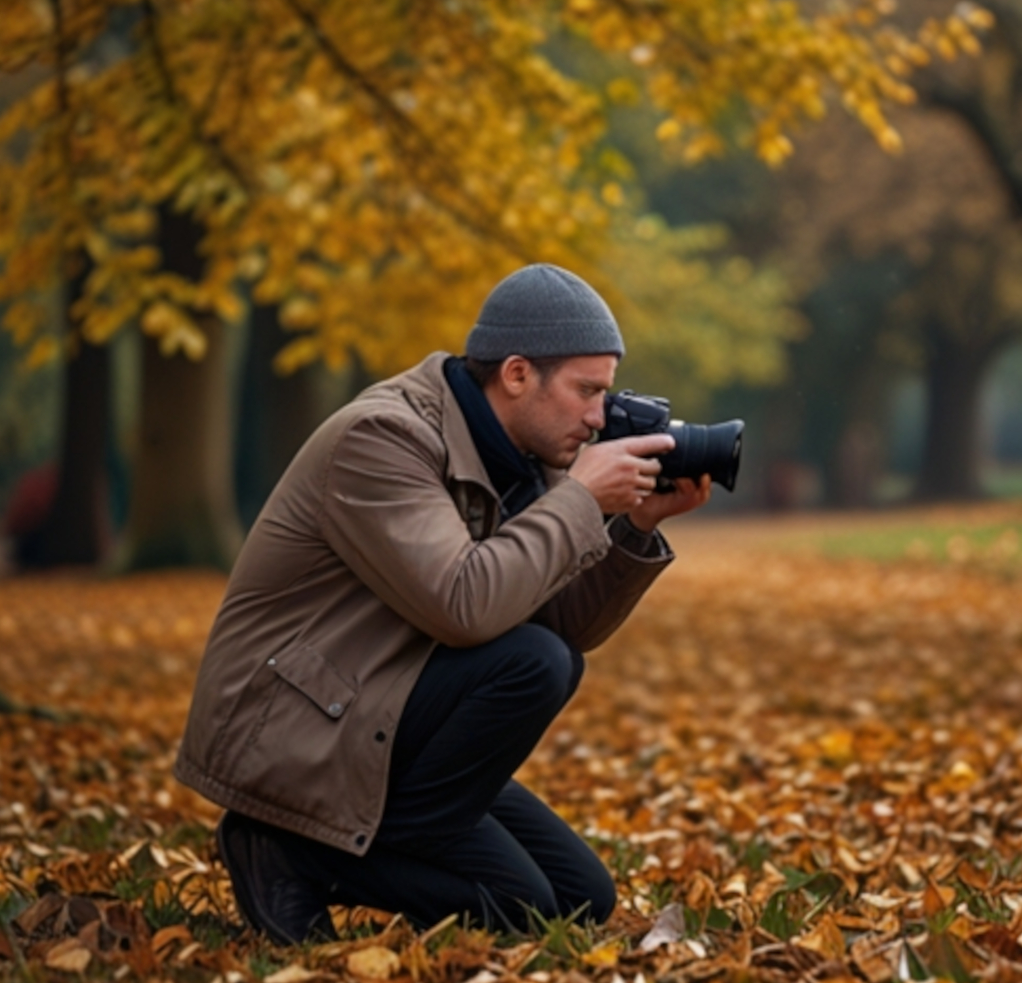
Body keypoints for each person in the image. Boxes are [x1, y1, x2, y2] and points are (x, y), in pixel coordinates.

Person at [173, 263, 714, 943]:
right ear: (517, 374)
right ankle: (285, 844)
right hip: (299, 725)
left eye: (604, 394)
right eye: (586, 391)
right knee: (534, 666)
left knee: (580, 899)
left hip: (384, 704)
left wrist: (635, 526)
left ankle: (364, 842)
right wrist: (579, 500)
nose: (599, 416)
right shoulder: (383, 438)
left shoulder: (526, 455)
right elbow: (466, 607)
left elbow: (565, 621)